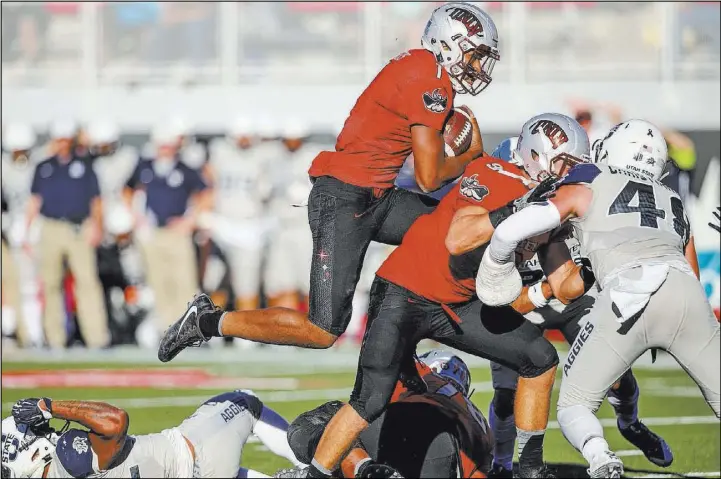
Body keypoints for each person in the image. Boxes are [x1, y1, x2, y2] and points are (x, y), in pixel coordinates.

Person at [157, 2, 496, 363]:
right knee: (321, 330)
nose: (477, 66)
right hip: (345, 197)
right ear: (449, 43)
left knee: (458, 229)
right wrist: (470, 156)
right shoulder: (430, 79)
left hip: (376, 195)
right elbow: (429, 178)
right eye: (475, 55)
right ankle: (207, 322)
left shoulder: (420, 66)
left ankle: (415, 326)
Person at [299, 113, 592, 479]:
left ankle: (530, 469)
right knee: (371, 398)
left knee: (539, 358)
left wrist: (593, 256)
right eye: (564, 162)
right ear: (538, 151)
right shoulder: (493, 174)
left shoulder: (545, 203)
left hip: (458, 303)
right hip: (404, 292)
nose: (566, 173)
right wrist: (517, 211)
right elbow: (459, 237)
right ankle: (314, 474)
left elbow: (567, 285)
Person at [475, 119, 720, 478]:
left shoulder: (580, 184)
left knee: (591, 394)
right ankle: (501, 463)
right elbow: (507, 300)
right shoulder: (669, 197)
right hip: (534, 301)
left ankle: (612, 445)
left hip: (603, 293)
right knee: (508, 392)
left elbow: (567, 284)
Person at [282, 351, 492, 478]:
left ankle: (361, 469)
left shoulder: (423, 373)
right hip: (443, 461)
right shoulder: (481, 424)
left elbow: (361, 413)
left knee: (329, 422)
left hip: (412, 427)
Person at [3, 390, 302, 478]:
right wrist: (49, 407)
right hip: (197, 457)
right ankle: (310, 467)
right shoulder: (68, 455)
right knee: (244, 401)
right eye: (37, 432)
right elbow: (115, 421)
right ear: (28, 453)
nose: (48, 432)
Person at [25, 119, 109, 349]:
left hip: (78, 228)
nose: (62, 144)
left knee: (87, 282)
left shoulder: (85, 165)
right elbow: (34, 201)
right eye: (59, 139)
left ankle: (96, 337)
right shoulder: (44, 166)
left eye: (66, 139)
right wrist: (27, 231)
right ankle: (54, 338)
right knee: (50, 283)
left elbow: (96, 201)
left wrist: (97, 226)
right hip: (50, 227)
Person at [124, 125, 213, 333]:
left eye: (168, 145)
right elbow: (127, 190)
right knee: (158, 281)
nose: (165, 150)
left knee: (184, 281)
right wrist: (136, 217)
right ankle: (167, 329)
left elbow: (206, 193)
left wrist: (189, 220)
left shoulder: (184, 169)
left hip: (177, 233)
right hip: (153, 232)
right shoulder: (144, 166)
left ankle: (189, 330)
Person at [202, 117, 272, 315]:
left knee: (247, 286)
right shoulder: (220, 152)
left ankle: (245, 334)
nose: (243, 139)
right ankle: (211, 329)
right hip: (222, 223)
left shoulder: (263, 155)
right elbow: (208, 180)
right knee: (214, 281)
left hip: (249, 227)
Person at [263, 119, 317, 312]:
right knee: (281, 283)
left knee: (310, 282)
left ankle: (315, 327)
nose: (291, 143)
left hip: (305, 227)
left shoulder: (313, 157)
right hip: (280, 227)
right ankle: (285, 331)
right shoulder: (273, 158)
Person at [1, 123, 44, 348]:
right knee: (14, 284)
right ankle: (18, 331)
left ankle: (33, 333)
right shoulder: (4, 168)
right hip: (11, 230)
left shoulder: (38, 165)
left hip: (33, 229)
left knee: (32, 285)